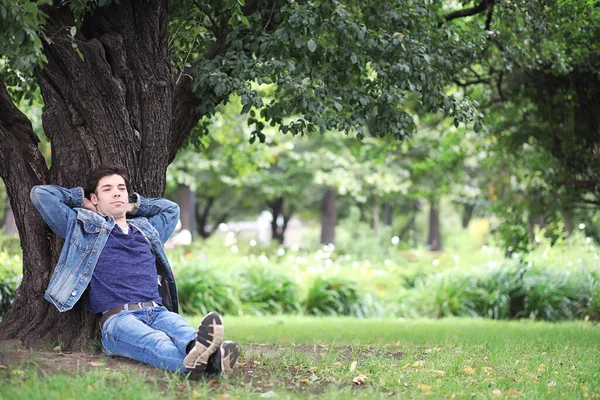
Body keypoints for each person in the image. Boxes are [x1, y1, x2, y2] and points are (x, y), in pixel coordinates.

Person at [30, 164, 238, 376]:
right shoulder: (84, 229)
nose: (117, 192)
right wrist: (80, 200)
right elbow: (41, 195)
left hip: (157, 311)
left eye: (121, 188)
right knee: (157, 343)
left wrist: (133, 206)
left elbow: (171, 209)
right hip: (118, 320)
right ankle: (214, 363)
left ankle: (210, 362)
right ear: (95, 198)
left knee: (185, 334)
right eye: (107, 189)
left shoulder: (148, 230)